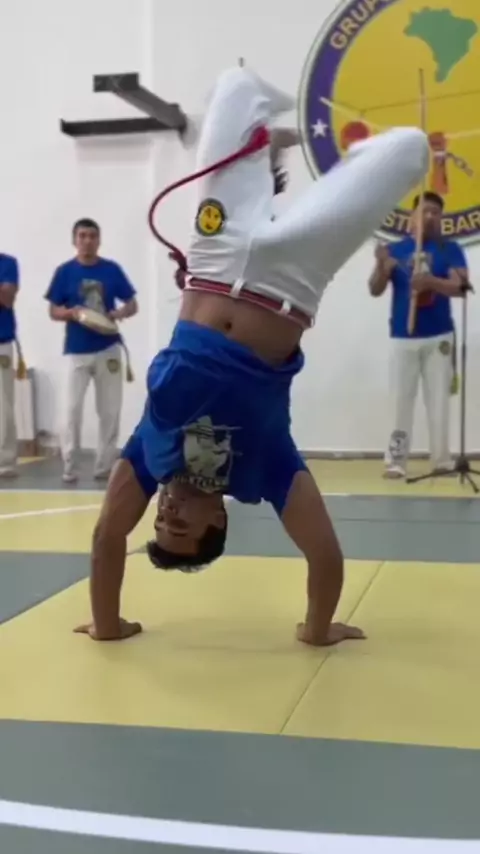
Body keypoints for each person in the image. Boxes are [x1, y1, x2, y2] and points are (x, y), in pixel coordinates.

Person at [75, 64, 428, 646]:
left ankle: (261, 154)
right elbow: (324, 553)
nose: (167, 515)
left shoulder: (148, 455)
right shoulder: (266, 467)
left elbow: (107, 537)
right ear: (219, 520)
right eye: (180, 528)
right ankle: (266, 161)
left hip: (213, 259)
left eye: (160, 522)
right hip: (292, 281)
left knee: (236, 85)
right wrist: (318, 629)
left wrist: (107, 626)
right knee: (411, 150)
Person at [368, 191, 468, 479]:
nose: (431, 216)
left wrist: (431, 282)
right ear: (412, 217)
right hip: (403, 336)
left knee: (439, 401)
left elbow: (461, 287)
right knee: (400, 402)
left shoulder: (450, 250)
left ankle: (442, 460)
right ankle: (396, 461)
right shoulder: (395, 250)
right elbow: (374, 289)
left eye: (436, 212)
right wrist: (381, 268)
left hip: (440, 338)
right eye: (425, 211)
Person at [45, 219, 138, 483]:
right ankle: (69, 466)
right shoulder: (64, 272)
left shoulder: (111, 270)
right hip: (76, 350)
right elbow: (53, 310)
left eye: (92, 236)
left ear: (99, 240)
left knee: (109, 411)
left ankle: (104, 467)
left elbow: (132, 304)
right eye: (82, 235)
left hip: (109, 349)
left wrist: (119, 312)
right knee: (71, 410)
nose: (87, 240)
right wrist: (70, 313)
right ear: (74, 240)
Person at [0, 253, 20, 478]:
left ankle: (5, 462)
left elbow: (6, 298)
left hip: (1, 343)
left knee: (3, 404)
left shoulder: (7, 264)